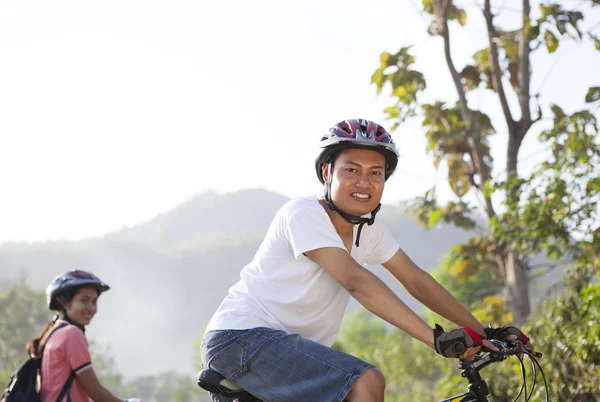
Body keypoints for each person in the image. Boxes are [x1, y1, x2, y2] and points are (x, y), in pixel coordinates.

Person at [200, 119, 534, 402]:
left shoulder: (369, 231)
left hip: (282, 349)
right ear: (327, 172)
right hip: (240, 337)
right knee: (366, 381)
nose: (364, 182)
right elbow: (357, 281)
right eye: (351, 170)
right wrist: (435, 339)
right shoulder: (303, 214)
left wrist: (484, 332)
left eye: (376, 173)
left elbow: (417, 281)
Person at [27, 270, 144, 402]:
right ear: (65, 303)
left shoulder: (52, 333)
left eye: (94, 302)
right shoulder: (72, 334)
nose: (91, 308)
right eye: (84, 301)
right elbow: (96, 393)